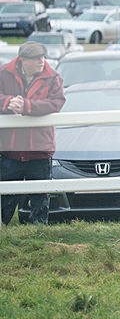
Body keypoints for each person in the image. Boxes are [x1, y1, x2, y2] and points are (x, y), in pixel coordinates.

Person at [0, 41, 65, 225]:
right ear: (23, 61)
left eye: (42, 57)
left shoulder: (54, 78)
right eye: (36, 58)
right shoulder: (4, 73)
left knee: (40, 197)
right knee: (6, 198)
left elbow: (57, 103)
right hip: (9, 149)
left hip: (39, 149)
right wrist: (8, 102)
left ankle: (39, 233)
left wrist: (26, 106)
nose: (41, 61)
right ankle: (4, 231)